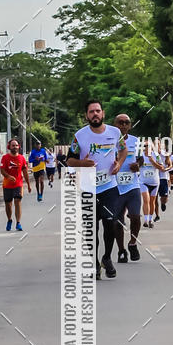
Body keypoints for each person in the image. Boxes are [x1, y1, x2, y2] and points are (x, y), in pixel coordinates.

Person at [66, 100, 127, 279]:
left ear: (103, 114)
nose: (95, 114)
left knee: (111, 223)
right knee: (91, 230)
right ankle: (93, 264)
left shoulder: (115, 132)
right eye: (91, 111)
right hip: (87, 188)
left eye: (97, 111)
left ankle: (107, 258)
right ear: (87, 115)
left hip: (109, 187)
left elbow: (122, 151)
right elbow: (69, 160)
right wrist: (82, 163)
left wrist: (119, 164)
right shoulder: (79, 136)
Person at [113, 113, 142, 262]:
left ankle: (132, 243)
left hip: (132, 185)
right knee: (117, 220)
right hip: (115, 186)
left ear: (130, 125)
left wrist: (138, 165)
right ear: (115, 125)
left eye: (126, 122)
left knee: (136, 217)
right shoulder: (109, 142)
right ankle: (121, 250)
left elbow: (141, 159)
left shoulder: (136, 141)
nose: (124, 125)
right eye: (120, 122)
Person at [0, 137, 31, 231]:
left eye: (16, 145)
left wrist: (28, 185)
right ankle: (9, 220)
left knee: (17, 201)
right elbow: (2, 170)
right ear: (9, 147)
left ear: (19, 147)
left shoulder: (21, 158)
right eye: (13, 145)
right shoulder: (5, 158)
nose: (15, 147)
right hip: (7, 185)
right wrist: (8, 176)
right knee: (8, 204)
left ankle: (18, 222)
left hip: (18, 184)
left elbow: (25, 172)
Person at [139, 142, 164, 228]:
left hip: (154, 182)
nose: (146, 147)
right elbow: (135, 167)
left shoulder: (156, 155)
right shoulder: (140, 156)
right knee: (146, 200)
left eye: (148, 146)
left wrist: (152, 161)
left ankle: (150, 219)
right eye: (144, 146)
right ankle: (146, 220)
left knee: (152, 202)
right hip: (143, 182)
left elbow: (161, 167)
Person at [154, 140, 171, 222]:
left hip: (163, 177)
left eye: (158, 144)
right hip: (154, 177)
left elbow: (170, 165)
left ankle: (163, 203)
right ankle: (157, 215)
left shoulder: (165, 153)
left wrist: (166, 169)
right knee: (154, 198)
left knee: (164, 198)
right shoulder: (151, 154)